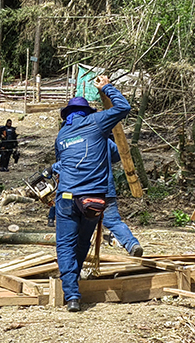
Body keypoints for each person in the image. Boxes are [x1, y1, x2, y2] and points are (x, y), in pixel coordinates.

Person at [53, 75, 131, 312]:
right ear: (87, 112)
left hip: (67, 197)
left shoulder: (61, 136)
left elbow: (61, 166)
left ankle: (72, 295)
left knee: (65, 245)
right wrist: (106, 87)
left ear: (68, 115)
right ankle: (73, 287)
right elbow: (123, 107)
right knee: (82, 243)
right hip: (94, 199)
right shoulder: (97, 123)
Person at [104, 139, 142, 257]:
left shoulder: (69, 137)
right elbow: (117, 154)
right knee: (113, 221)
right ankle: (132, 244)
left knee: (76, 222)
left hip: (81, 191)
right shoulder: (103, 137)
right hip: (105, 189)